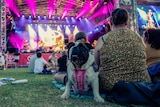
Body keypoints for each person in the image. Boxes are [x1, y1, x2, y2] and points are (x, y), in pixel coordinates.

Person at [94, 8, 151, 91]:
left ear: (110, 21)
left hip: (111, 86)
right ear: (127, 21)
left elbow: (97, 64)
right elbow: (143, 58)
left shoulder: (103, 40)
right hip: (141, 84)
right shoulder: (138, 37)